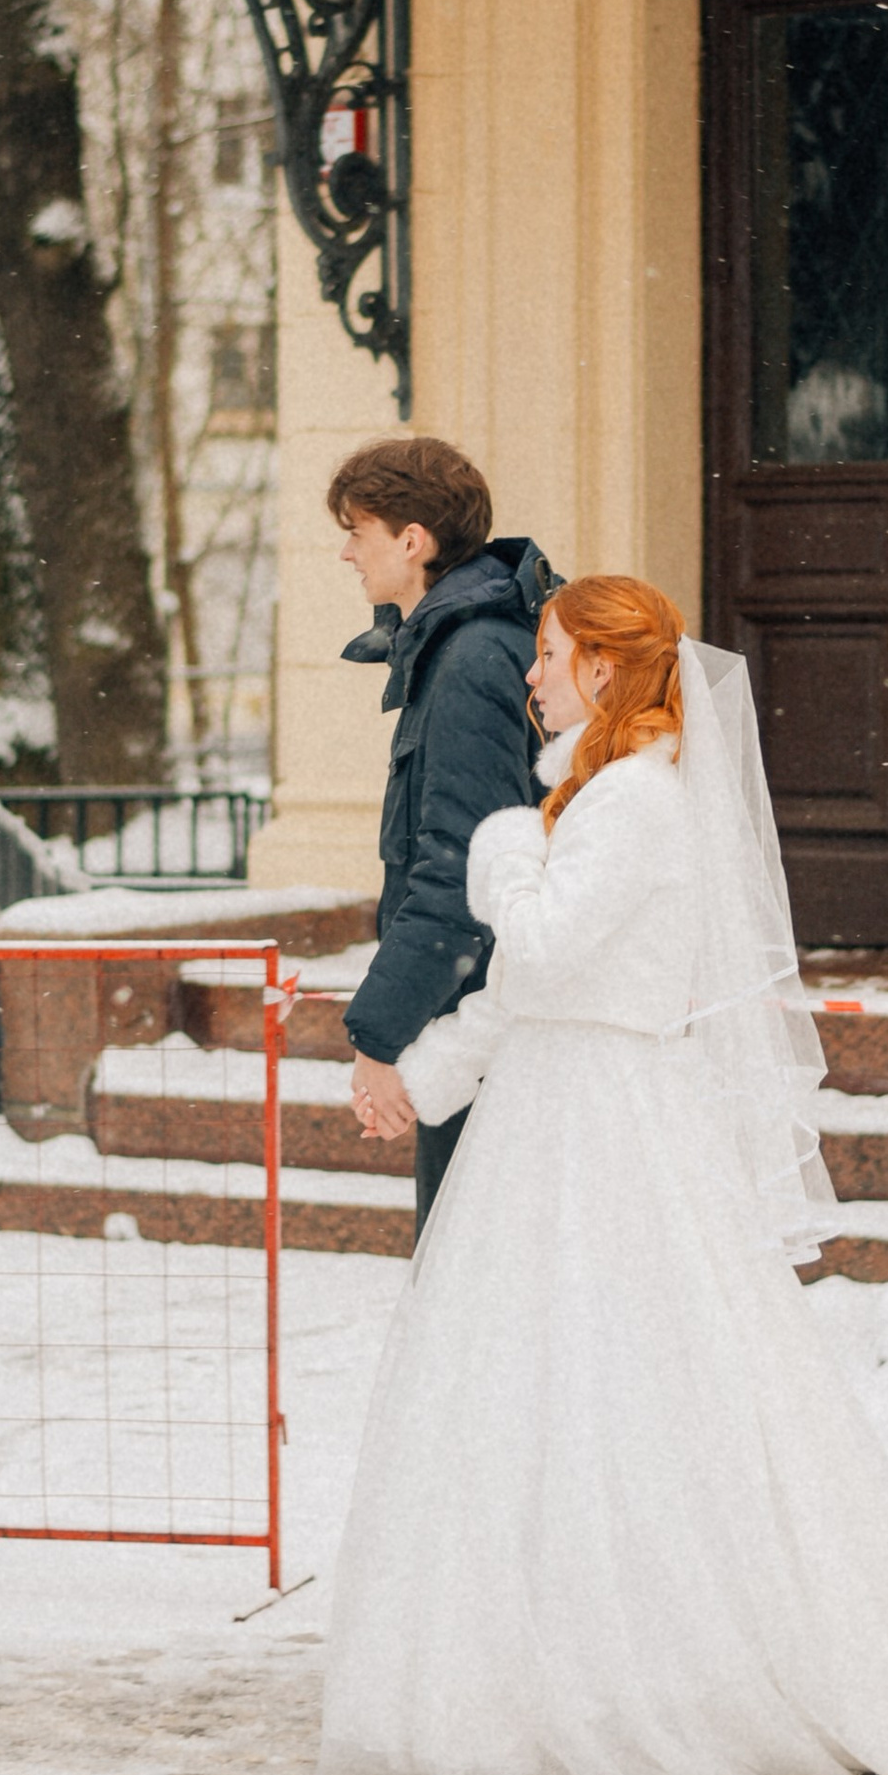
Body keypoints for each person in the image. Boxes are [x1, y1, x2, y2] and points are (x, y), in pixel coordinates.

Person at [320, 573, 888, 1775]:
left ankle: (677, 1666)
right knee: (524, 1390)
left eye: (551, 653)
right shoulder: (592, 796)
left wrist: (502, 843)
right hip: (546, 1111)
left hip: (608, 1127)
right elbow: (531, 993)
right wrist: (421, 1071)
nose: (532, 674)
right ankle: (523, 1670)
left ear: (604, 668)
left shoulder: (637, 804)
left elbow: (544, 947)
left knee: (632, 1385)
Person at [326, 437, 561, 1233]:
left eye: (358, 530)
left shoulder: (468, 658)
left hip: (488, 1027)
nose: (347, 550)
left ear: (413, 540)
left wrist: (379, 1036)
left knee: (477, 1278)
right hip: (494, 1019)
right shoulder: (470, 643)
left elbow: (464, 870)